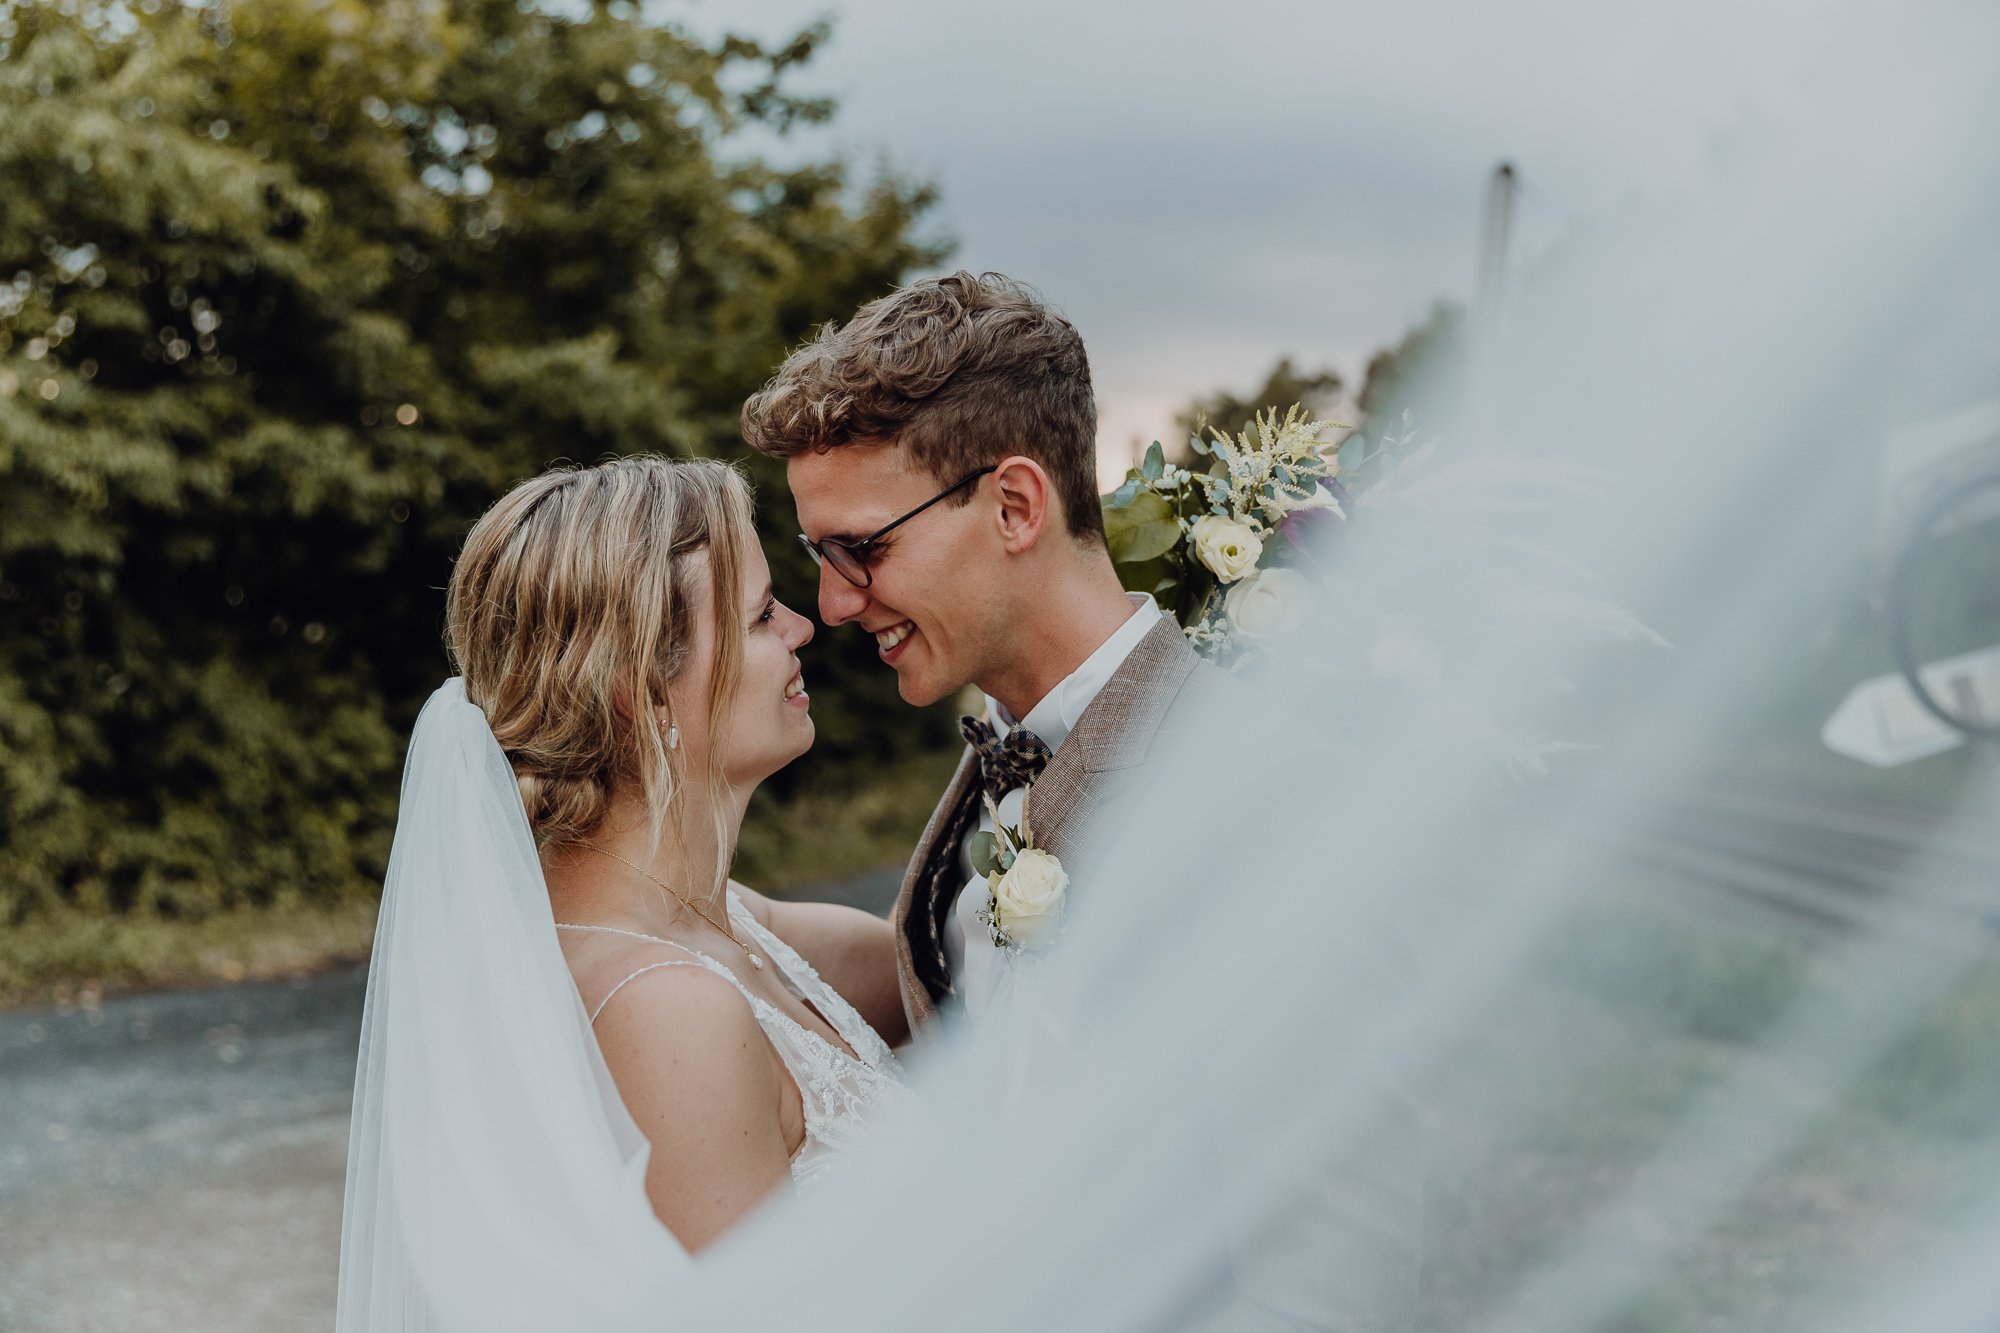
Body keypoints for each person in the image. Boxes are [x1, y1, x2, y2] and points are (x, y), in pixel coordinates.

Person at [743, 270, 1423, 1328]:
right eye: (817, 556)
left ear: (1014, 505)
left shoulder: (1268, 795)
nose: (832, 603)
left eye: (862, 549)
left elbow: (1339, 1275)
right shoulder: (993, 764)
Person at [336, 458, 911, 1328]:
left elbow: (941, 956)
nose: (803, 625)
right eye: (761, 614)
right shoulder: (666, 1008)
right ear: (639, 691)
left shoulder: (731, 923)